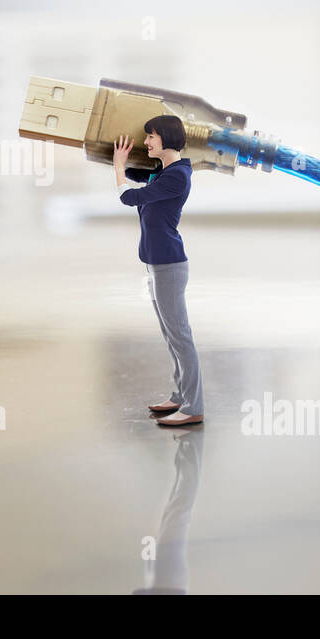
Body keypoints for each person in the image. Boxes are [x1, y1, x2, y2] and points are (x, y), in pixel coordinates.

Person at [113, 115, 204, 427]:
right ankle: (179, 396)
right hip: (156, 264)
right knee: (170, 335)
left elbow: (129, 197)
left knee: (180, 336)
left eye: (151, 136)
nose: (147, 142)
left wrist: (118, 166)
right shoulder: (163, 174)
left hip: (170, 266)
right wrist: (125, 165)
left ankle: (193, 406)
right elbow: (143, 187)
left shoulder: (177, 176)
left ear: (166, 137)